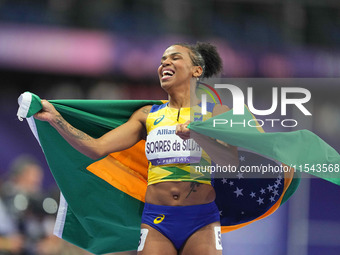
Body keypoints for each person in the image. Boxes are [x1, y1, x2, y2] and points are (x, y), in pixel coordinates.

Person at [34, 42, 238, 255]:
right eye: (162, 60)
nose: (165, 63)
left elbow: (231, 162)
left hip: (201, 221)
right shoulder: (147, 115)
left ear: (197, 70)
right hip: (157, 221)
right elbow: (97, 147)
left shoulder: (216, 113)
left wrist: (199, 136)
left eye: (175, 58)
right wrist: (56, 120)